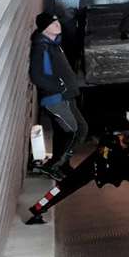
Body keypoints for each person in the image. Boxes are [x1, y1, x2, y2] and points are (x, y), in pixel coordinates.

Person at [29, 11, 88, 179]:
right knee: (72, 131)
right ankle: (53, 166)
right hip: (56, 99)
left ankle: (63, 163)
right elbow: (37, 76)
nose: (57, 25)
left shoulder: (54, 44)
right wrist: (59, 87)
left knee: (80, 129)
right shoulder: (42, 47)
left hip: (66, 96)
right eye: (52, 23)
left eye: (57, 22)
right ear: (44, 28)